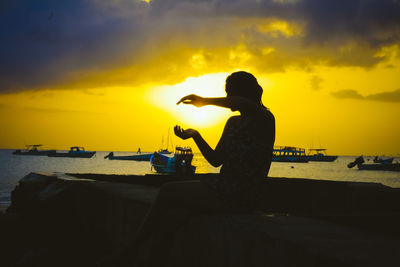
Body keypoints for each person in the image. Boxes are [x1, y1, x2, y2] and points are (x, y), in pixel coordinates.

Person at [117, 71, 275, 266]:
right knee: (174, 217)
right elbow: (216, 160)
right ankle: (153, 259)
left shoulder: (265, 119)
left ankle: (133, 249)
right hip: (221, 188)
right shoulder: (232, 123)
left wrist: (204, 101)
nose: (228, 99)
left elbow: (244, 103)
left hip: (241, 195)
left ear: (243, 93)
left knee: (168, 191)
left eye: (230, 93)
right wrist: (196, 136)